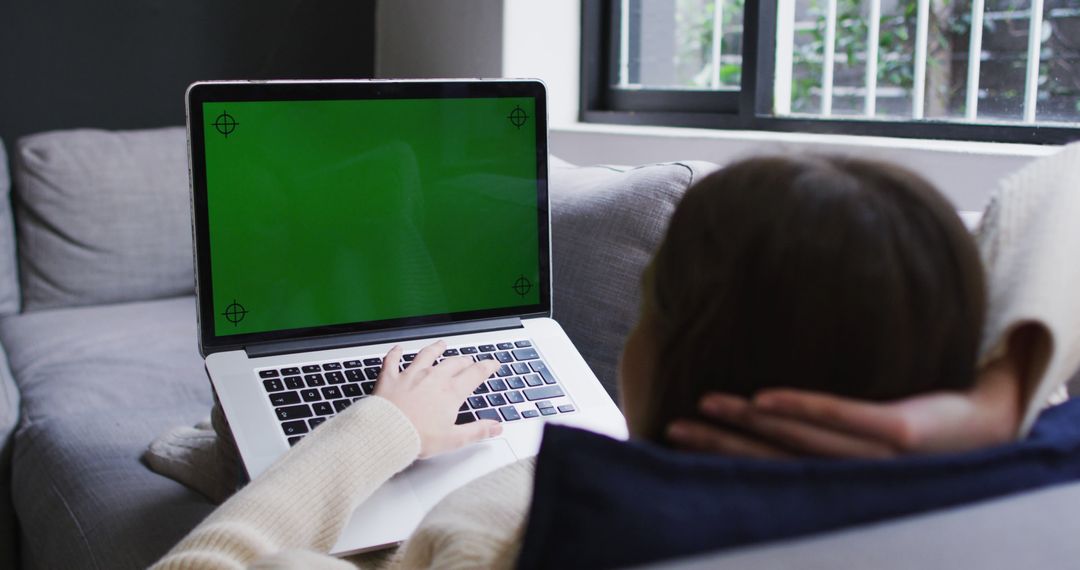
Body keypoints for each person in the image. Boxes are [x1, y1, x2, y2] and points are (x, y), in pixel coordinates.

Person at [151, 154, 1065, 569]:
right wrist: (999, 400)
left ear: (662, 355)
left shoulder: (503, 532)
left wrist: (386, 425)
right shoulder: (1031, 478)